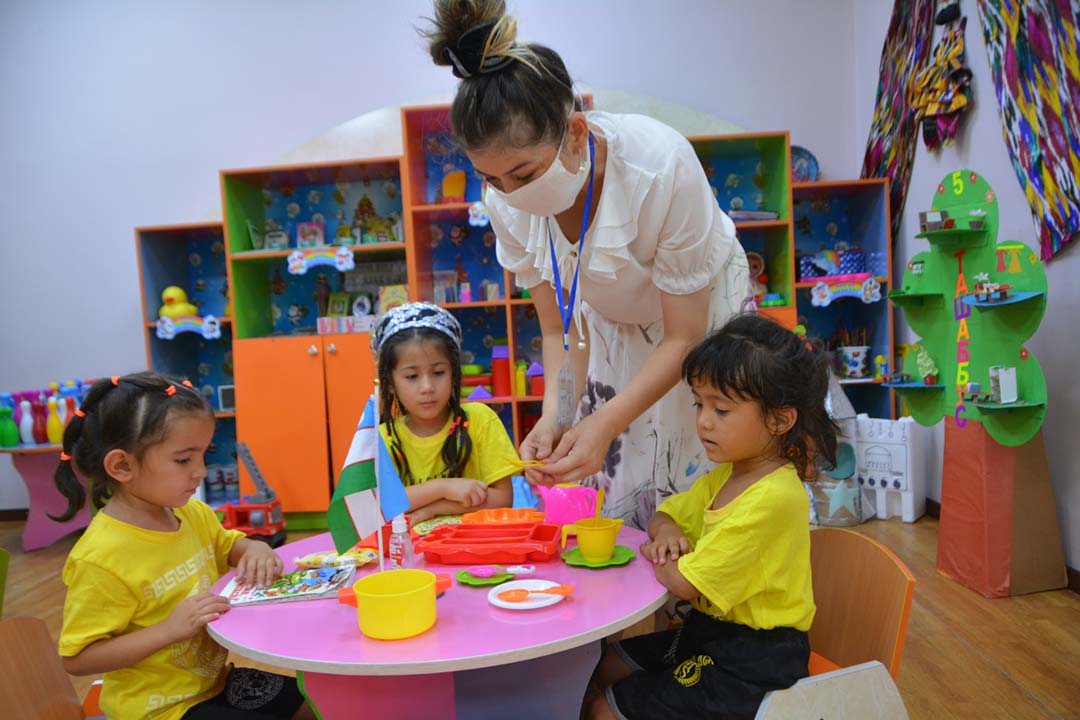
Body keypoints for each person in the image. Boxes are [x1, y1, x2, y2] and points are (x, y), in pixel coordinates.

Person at [424, 0, 752, 528]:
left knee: (702, 474)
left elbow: (683, 338)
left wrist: (603, 422)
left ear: (575, 134)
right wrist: (557, 415)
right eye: (492, 179)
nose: (510, 193)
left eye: (524, 173)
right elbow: (560, 333)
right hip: (610, 324)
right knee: (623, 491)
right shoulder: (506, 202)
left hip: (699, 325)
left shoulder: (659, 167)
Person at [586, 315, 837, 720]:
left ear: (779, 419)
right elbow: (665, 514)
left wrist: (661, 553)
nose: (703, 421)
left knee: (604, 709)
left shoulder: (773, 497)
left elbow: (683, 584)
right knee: (604, 665)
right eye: (699, 404)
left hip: (754, 659)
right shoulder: (729, 474)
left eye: (721, 409)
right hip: (710, 634)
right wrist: (666, 533)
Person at [54, 372, 315, 720]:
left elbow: (227, 546)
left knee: (320, 703)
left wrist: (254, 549)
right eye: (183, 460)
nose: (201, 472)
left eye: (203, 456)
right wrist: (168, 630)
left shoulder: (191, 513)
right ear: (121, 465)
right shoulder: (100, 558)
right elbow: (78, 658)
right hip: (160, 711)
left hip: (217, 683)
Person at [372, 302, 518, 523]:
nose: (427, 387)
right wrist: (443, 487)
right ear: (390, 383)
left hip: (476, 550)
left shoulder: (480, 419)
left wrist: (432, 508)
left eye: (439, 372)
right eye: (412, 376)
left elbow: (503, 498)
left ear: (453, 373)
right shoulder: (383, 438)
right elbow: (379, 504)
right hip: (412, 553)